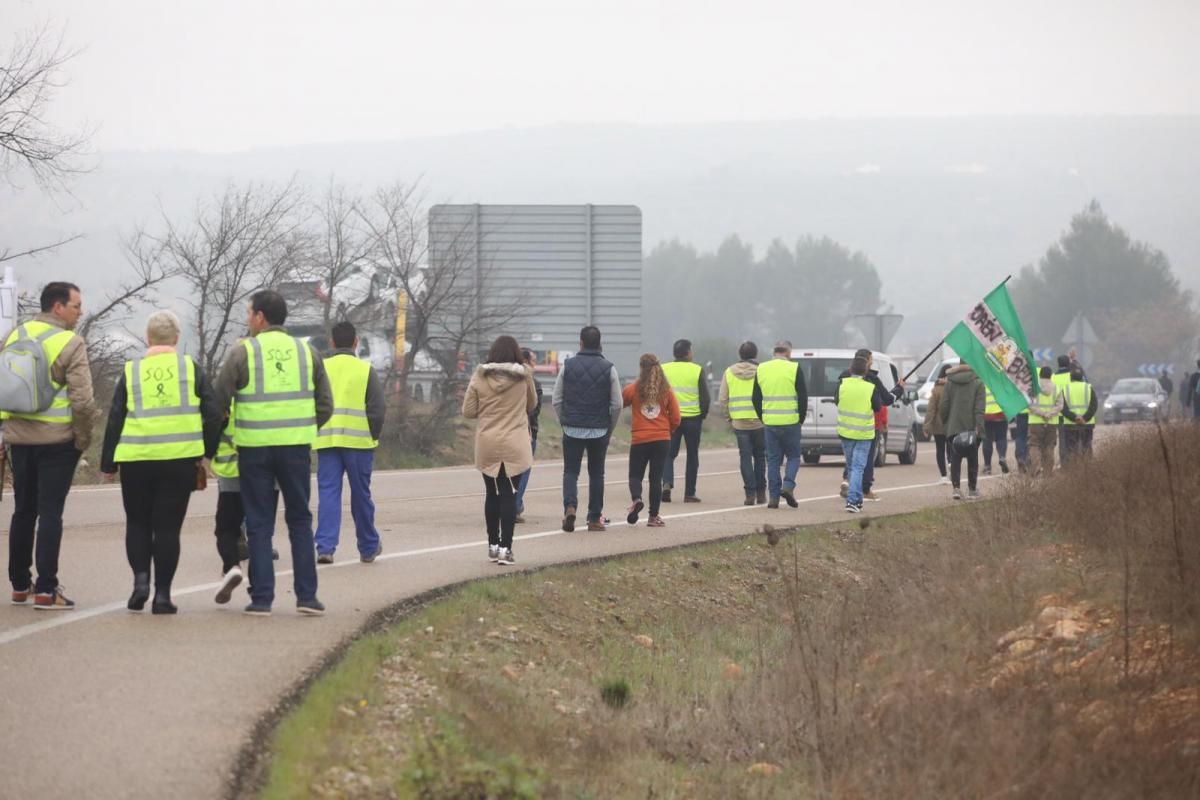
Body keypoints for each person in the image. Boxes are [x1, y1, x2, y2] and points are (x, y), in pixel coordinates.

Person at [214, 289, 333, 617]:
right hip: (295, 448)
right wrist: (302, 427)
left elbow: (219, 401)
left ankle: (262, 599)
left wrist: (219, 440)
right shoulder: (307, 353)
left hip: (253, 450)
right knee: (300, 520)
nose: (247, 319)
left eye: (249, 313)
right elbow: (326, 405)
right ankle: (307, 597)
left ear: (260, 317)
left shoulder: (244, 353)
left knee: (260, 523)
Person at [99, 311, 222, 614]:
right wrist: (206, 453)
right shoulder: (191, 368)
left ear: (147, 338)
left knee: (138, 523)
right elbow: (213, 412)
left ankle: (140, 582)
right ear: (177, 339)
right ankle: (163, 596)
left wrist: (108, 462)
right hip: (179, 460)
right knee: (167, 529)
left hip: (137, 459)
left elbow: (115, 418)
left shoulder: (132, 370)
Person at [3, 282, 96, 610]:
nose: (79, 311)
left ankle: (18, 584)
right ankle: (46, 588)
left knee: (23, 510)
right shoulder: (71, 342)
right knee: (50, 513)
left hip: (19, 440)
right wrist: (82, 439)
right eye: (76, 305)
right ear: (58, 307)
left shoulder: (15, 335)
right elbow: (83, 401)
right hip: (57, 441)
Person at [314, 321, 386, 565]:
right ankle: (368, 547)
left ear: (331, 342)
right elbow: (377, 410)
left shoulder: (321, 368)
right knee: (361, 496)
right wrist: (372, 436)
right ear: (356, 342)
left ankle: (325, 547)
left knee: (328, 494)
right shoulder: (365, 370)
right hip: (358, 443)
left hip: (326, 441)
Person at [462, 335, 537, 565]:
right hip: (515, 442)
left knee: (491, 493)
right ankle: (507, 549)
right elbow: (531, 404)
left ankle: (493, 545)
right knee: (509, 494)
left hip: (488, 443)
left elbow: (468, 410)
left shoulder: (480, 376)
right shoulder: (524, 377)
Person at [553, 326, 621, 532]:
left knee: (571, 471)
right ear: (600, 343)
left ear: (580, 342)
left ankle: (570, 506)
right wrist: (609, 428)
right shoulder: (609, 368)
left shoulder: (568, 366)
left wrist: (564, 421)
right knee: (596, 474)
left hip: (572, 428)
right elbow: (617, 404)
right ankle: (593, 518)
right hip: (599, 429)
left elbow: (557, 399)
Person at [837, 349, 904, 502]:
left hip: (845, 428)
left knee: (852, 462)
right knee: (862, 463)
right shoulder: (871, 380)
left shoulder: (843, 378)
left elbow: (837, 399)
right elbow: (883, 401)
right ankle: (861, 492)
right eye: (871, 360)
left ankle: (848, 482)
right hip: (866, 427)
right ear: (866, 363)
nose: (872, 363)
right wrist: (899, 388)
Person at [623, 354, 681, 528]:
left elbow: (619, 402)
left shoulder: (633, 389)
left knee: (635, 475)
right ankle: (653, 517)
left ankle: (637, 499)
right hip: (661, 439)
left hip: (640, 438)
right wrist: (667, 430)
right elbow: (677, 417)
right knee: (656, 479)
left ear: (641, 368)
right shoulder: (666, 391)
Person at [753, 340, 808, 509]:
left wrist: (763, 417)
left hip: (770, 423)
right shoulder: (794, 368)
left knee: (773, 460)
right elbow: (803, 396)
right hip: (791, 422)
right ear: (788, 353)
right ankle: (788, 486)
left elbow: (755, 398)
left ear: (773, 352)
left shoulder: (761, 368)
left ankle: (774, 498)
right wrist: (800, 418)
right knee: (793, 457)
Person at [661, 338, 709, 503]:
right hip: (693, 419)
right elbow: (705, 397)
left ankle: (666, 484)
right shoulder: (697, 370)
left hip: (670, 419)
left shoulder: (663, 369)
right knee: (692, 455)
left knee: (668, 454)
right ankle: (689, 493)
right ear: (688, 352)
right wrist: (702, 415)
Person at [719, 341, 766, 505]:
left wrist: (729, 417)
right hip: (760, 422)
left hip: (739, 423)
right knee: (760, 457)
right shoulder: (762, 371)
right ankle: (761, 493)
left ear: (740, 354)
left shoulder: (729, 372)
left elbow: (722, 399)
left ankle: (749, 494)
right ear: (756, 354)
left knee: (745, 458)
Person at [837, 356, 881, 513]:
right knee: (857, 468)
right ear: (866, 371)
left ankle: (856, 499)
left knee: (851, 467)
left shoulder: (842, 385)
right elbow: (877, 407)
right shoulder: (870, 387)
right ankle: (853, 500)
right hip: (863, 433)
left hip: (845, 432)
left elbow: (837, 401)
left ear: (850, 369)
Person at [940, 363, 985, 500]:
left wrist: (946, 422)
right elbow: (979, 408)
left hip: (953, 426)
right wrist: (979, 427)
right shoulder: (978, 383)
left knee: (955, 458)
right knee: (973, 458)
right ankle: (972, 489)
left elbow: (944, 405)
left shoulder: (949, 383)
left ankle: (956, 488)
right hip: (972, 427)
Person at [513, 348, 542, 524]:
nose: (534, 364)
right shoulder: (534, 383)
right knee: (524, 470)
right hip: (527, 432)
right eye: (532, 360)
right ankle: (515, 505)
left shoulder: (504, 380)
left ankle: (514, 503)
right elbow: (535, 410)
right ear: (524, 361)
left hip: (506, 431)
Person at [1027, 366, 1064, 477]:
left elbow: (1029, 404)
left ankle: (1037, 468)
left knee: (1034, 445)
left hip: (1035, 421)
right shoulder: (1056, 388)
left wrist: (1041, 413)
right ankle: (1048, 472)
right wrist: (1049, 414)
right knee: (1049, 446)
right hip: (1051, 422)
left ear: (1040, 375)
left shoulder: (1033, 388)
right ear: (1051, 375)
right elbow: (1060, 405)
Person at [922, 364, 951, 484]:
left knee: (940, 449)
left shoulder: (936, 389)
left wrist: (926, 426)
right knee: (952, 449)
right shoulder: (955, 389)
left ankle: (943, 476)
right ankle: (951, 465)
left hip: (938, 425)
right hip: (952, 424)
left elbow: (931, 410)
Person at [1061, 367, 1097, 464]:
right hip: (1087, 423)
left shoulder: (1065, 388)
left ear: (1071, 378)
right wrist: (1084, 418)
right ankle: (1087, 470)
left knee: (1071, 449)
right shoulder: (1089, 387)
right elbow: (1094, 405)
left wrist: (1074, 417)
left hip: (1070, 424)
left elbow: (1062, 407)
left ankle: (1073, 472)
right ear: (1082, 377)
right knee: (1086, 447)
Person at [980, 387, 1009, 475]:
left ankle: (987, 466)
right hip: (1001, 414)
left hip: (987, 415)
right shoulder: (1001, 381)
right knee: (1001, 437)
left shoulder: (984, 383)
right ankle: (1002, 457)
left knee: (987, 440)